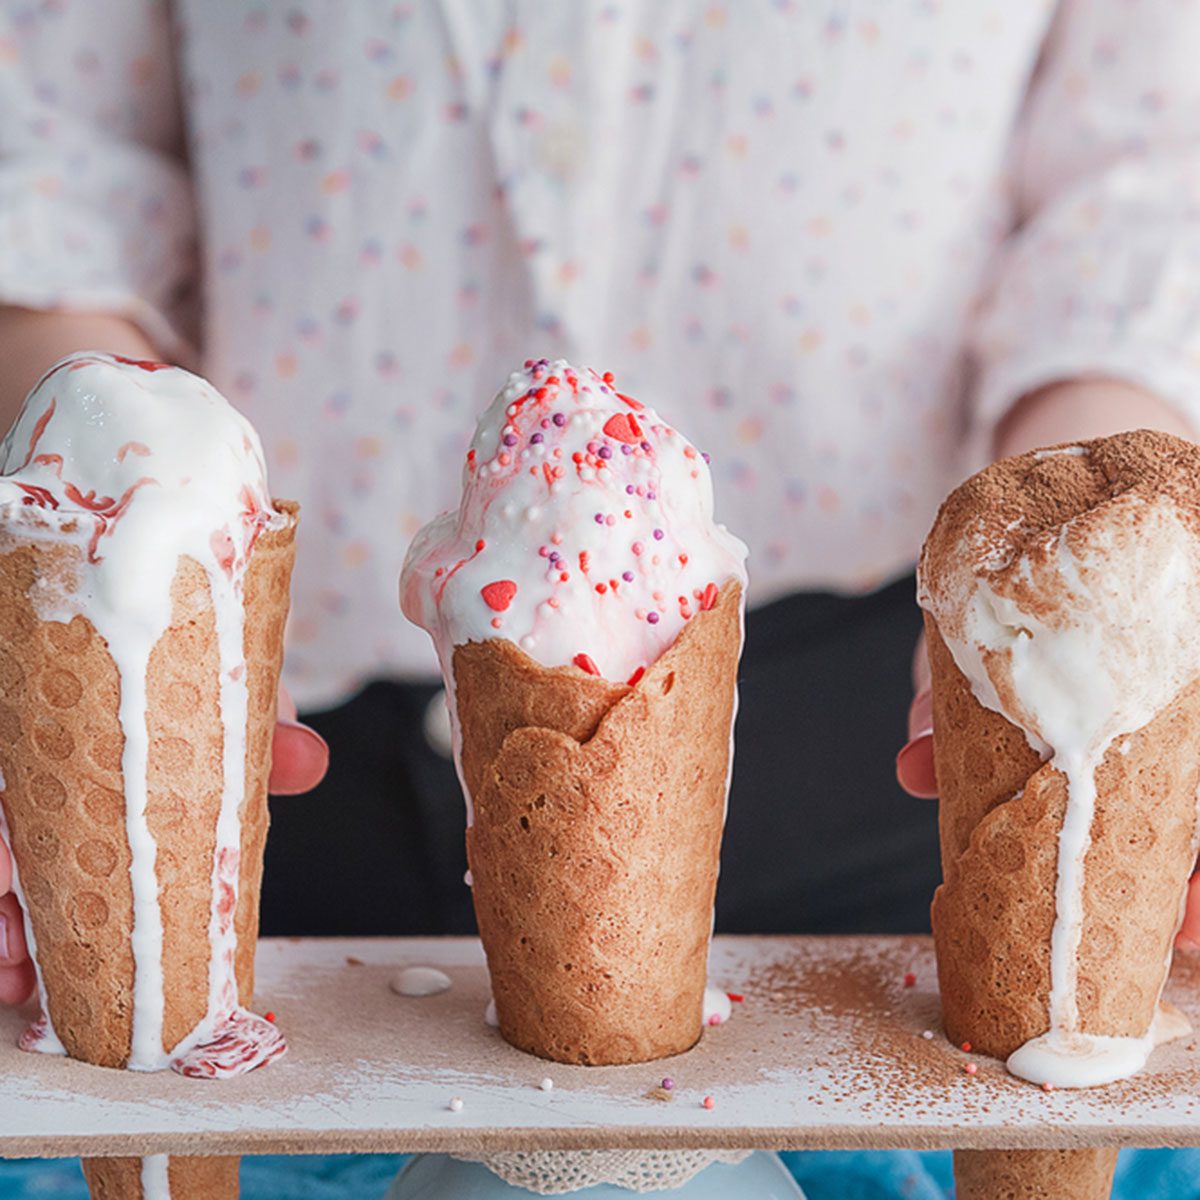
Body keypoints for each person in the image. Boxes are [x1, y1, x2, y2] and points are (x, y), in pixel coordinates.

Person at [2, 3, 1200, 1198]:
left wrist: (1110, 614)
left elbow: (1138, 193)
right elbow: (51, 157)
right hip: (261, 825)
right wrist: (86, 562)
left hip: (890, 826)